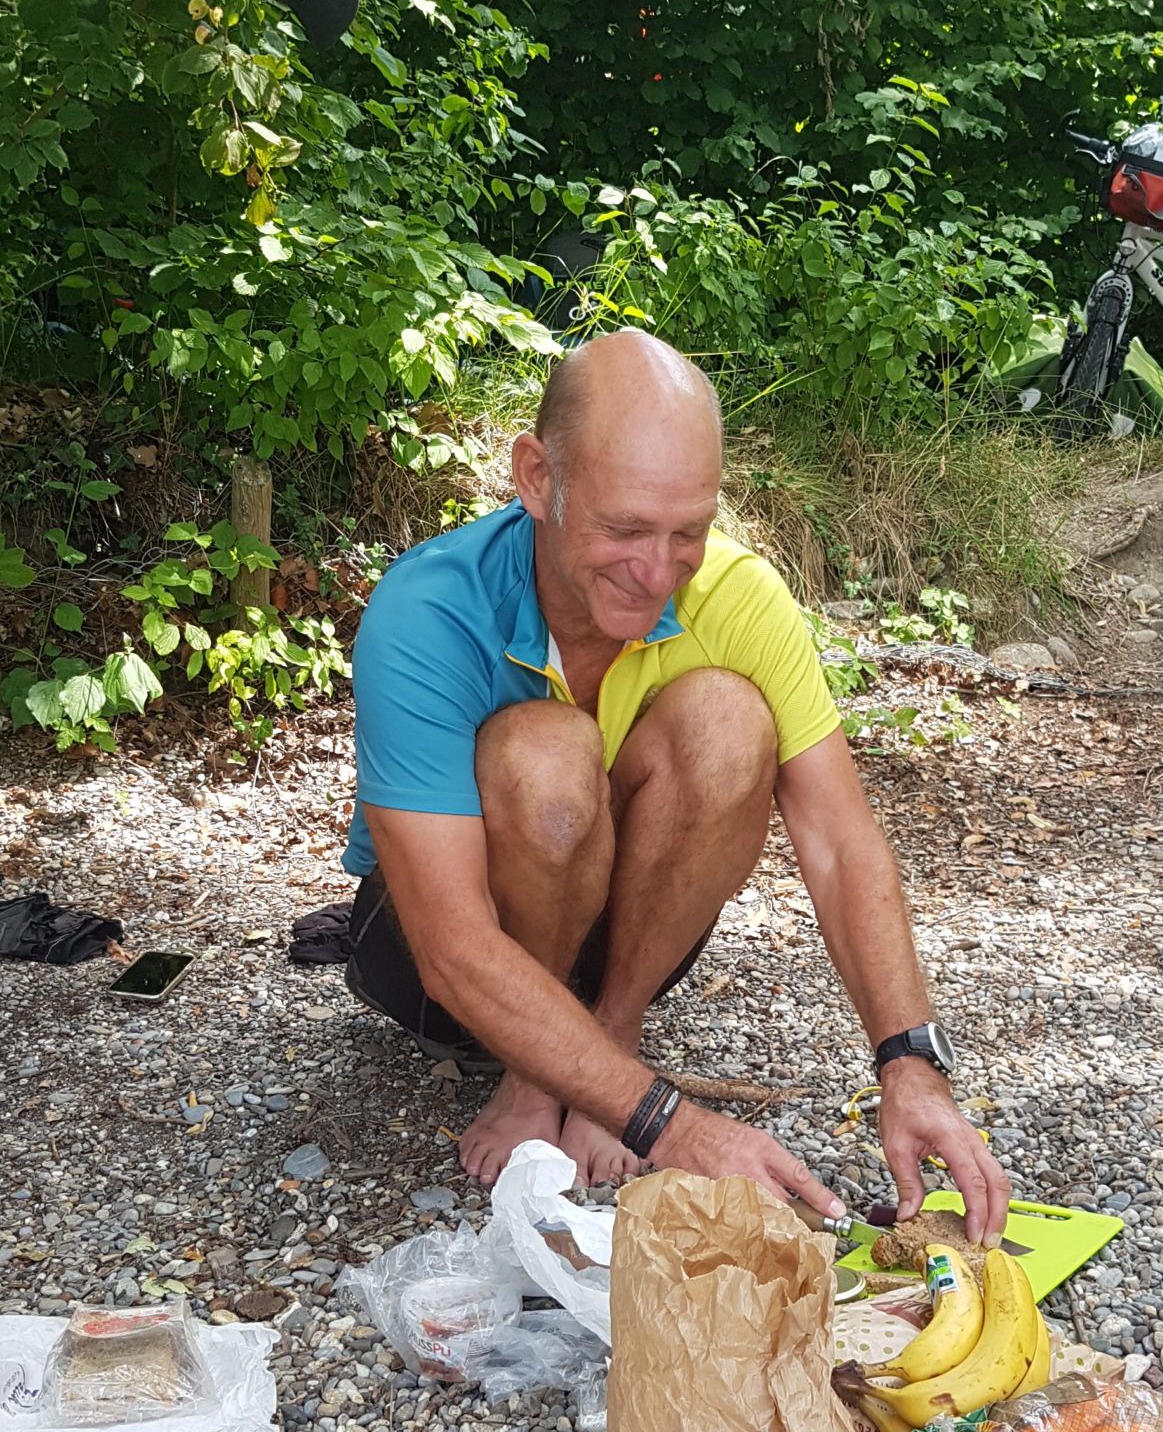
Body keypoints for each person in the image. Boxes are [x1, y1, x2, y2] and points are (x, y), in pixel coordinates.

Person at [343, 327, 1009, 1239]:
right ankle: (534, 1073)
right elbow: (452, 948)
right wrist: (671, 1122)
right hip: (435, 963)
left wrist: (909, 1061)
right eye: (623, 529)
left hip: (615, 940)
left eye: (687, 532)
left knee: (733, 720)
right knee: (545, 757)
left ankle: (610, 1036)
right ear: (538, 479)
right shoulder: (426, 612)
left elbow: (839, 840)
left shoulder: (737, 594)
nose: (658, 572)